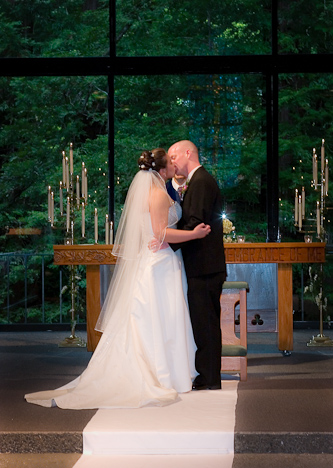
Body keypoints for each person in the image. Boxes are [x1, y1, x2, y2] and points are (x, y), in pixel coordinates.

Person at [24, 148, 211, 409]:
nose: (173, 167)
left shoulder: (156, 191)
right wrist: (195, 234)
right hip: (159, 264)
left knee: (162, 317)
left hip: (161, 261)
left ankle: (168, 371)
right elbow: (160, 233)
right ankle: (161, 373)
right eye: (169, 164)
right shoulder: (157, 194)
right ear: (162, 169)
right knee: (159, 317)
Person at [168, 140, 226, 391]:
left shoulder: (201, 181)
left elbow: (194, 223)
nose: (171, 162)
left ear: (188, 153)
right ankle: (208, 375)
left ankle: (209, 378)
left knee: (206, 324)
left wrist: (165, 239)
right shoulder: (198, 180)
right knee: (204, 322)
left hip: (204, 266)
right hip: (203, 265)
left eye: (173, 156)